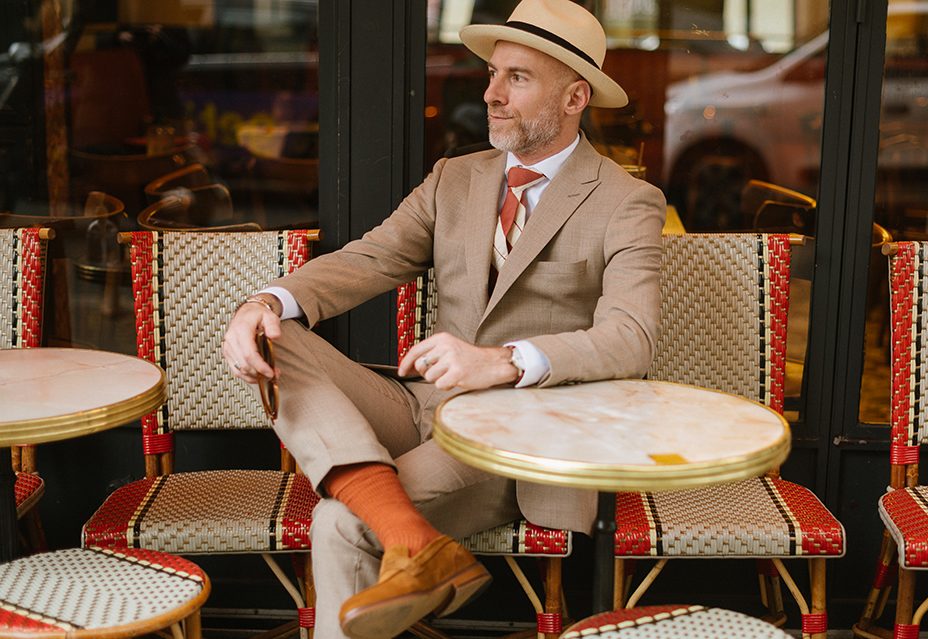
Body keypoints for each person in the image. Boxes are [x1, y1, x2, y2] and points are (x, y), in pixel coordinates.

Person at [222, 0, 665, 636]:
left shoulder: (627, 201)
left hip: (515, 439)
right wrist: (262, 300)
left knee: (340, 520)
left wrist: (502, 360)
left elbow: (631, 338)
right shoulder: (454, 178)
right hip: (420, 408)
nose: (491, 94)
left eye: (517, 77)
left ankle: (405, 538)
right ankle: (417, 544)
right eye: (492, 74)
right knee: (278, 332)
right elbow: (369, 259)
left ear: (574, 97)